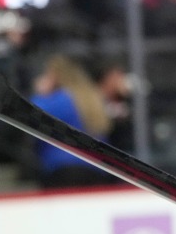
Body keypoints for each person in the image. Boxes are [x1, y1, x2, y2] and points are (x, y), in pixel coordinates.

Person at [30, 55, 117, 189]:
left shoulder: (62, 99)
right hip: (96, 169)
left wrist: (41, 93)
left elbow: (31, 114)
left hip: (63, 169)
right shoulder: (92, 97)